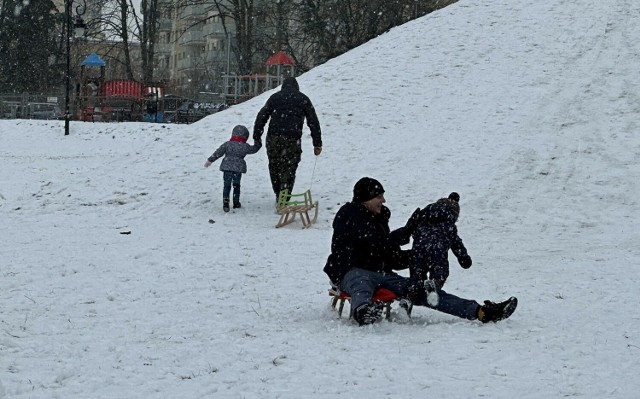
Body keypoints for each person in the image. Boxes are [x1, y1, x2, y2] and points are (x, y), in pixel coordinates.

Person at [323, 177, 517, 325]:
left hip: (381, 273)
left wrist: (416, 257)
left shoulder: (378, 219)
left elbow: (387, 253)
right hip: (349, 270)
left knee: (420, 290)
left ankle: (480, 312)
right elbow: (373, 244)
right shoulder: (348, 215)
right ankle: (363, 311)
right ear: (365, 199)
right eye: (378, 196)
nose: (383, 200)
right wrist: (406, 231)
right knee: (361, 284)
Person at [408, 192, 518, 323]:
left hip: (418, 249)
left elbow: (410, 230)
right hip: (437, 250)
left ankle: (407, 301)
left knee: (416, 275)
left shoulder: (424, 216)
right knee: (440, 271)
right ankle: (434, 285)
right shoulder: (448, 224)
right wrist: (463, 258)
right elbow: (456, 243)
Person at [253, 76, 322, 200]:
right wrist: (317, 143)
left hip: (273, 137)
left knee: (274, 166)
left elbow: (262, 116)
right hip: (292, 139)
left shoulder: (275, 97)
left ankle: (278, 193)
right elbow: (313, 122)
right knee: (289, 169)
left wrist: (257, 136)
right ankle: (284, 198)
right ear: (297, 87)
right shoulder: (303, 99)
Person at [204, 125, 262, 212]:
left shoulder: (227, 144)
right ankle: (236, 202)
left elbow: (218, 152)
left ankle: (226, 202)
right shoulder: (245, 146)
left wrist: (210, 160)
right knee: (236, 185)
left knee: (227, 185)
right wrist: (258, 140)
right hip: (237, 169)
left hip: (227, 167)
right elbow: (254, 149)